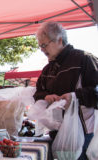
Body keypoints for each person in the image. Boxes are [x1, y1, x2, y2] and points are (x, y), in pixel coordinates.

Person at [33, 21, 98, 160]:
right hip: (58, 133)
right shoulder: (47, 69)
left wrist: (75, 97)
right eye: (40, 46)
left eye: (44, 45)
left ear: (59, 40)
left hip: (84, 134)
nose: (42, 50)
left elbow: (96, 91)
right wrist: (46, 97)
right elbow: (37, 93)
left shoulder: (85, 59)